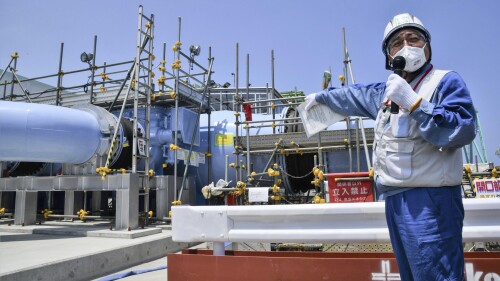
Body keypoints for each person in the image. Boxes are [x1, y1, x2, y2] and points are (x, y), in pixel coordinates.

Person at [303, 13, 476, 280]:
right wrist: (320, 98)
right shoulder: (386, 92)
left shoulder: (444, 81)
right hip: (394, 201)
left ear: (427, 46)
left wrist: (415, 104)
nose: (406, 45)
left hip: (431, 202)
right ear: (388, 55)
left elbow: (462, 129)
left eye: (414, 38)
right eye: (397, 42)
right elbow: (354, 95)